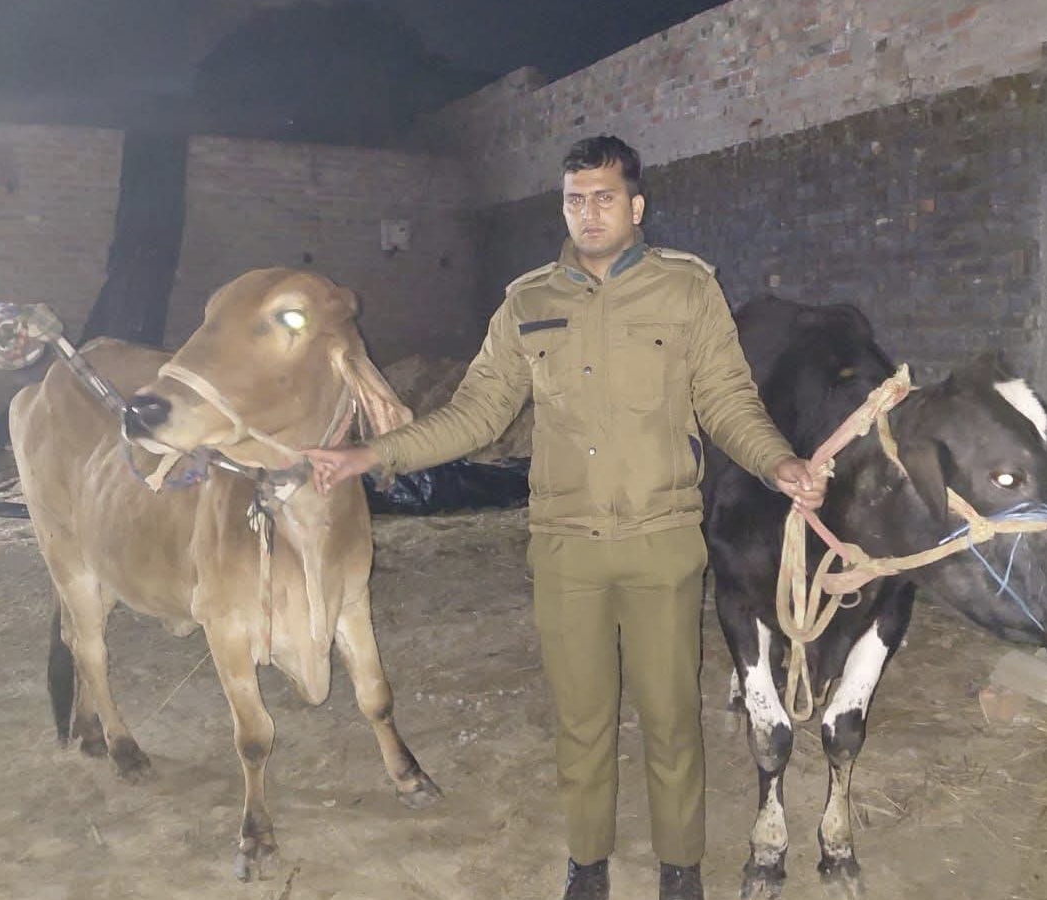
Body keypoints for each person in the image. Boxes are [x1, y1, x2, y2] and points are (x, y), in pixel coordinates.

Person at [306, 135, 826, 900]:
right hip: (566, 548)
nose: (588, 213)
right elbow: (478, 413)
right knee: (582, 722)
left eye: (604, 198)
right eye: (575, 200)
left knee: (671, 718)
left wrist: (778, 462)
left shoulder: (687, 290)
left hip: (660, 542)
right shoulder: (529, 302)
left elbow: (726, 399)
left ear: (636, 206)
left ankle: (680, 867)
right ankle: (588, 864)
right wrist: (373, 455)